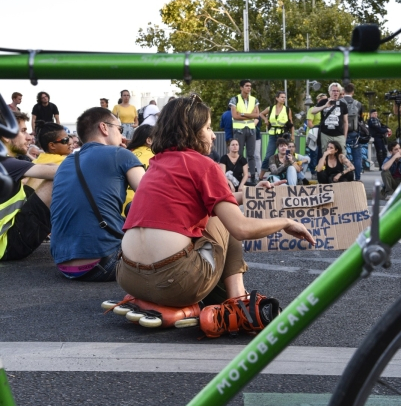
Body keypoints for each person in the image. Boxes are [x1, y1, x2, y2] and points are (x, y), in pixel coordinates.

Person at [117, 95, 315, 337]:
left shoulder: (156, 164)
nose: (213, 135)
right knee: (224, 221)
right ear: (191, 131)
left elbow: (210, 200)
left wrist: (250, 193)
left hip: (128, 275)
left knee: (215, 218)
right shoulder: (204, 165)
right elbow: (240, 227)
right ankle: (239, 305)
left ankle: (163, 304)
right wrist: (287, 221)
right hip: (175, 281)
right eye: (208, 128)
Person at [50, 107, 145, 281]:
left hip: (63, 264)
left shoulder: (66, 162)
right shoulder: (121, 154)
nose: (122, 136)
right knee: (137, 208)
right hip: (103, 262)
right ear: (104, 127)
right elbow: (152, 197)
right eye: (120, 129)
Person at [0, 111, 58, 262]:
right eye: (23, 131)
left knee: (35, 177)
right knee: (57, 180)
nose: (29, 137)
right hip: (7, 246)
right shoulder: (6, 164)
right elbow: (59, 172)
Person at [229, 80, 259, 185]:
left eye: (250, 86)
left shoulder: (254, 99)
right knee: (239, 154)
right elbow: (234, 116)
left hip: (251, 129)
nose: (249, 88)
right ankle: (239, 176)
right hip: (239, 130)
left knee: (251, 154)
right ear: (241, 87)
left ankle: (253, 177)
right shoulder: (235, 99)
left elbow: (256, 115)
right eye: (246, 86)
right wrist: (249, 115)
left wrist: (242, 113)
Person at [25, 123, 71, 191]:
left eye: (69, 139)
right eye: (65, 140)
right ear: (52, 145)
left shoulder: (35, 162)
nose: (69, 143)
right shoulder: (66, 162)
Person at [259, 91, 294, 180]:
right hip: (273, 135)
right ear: (277, 98)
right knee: (268, 155)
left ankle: (287, 175)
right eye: (282, 97)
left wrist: (293, 135)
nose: (283, 99)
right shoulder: (271, 108)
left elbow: (291, 123)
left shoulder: (287, 109)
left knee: (287, 155)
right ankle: (260, 176)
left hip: (283, 135)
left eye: (285, 97)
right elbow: (261, 113)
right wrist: (266, 119)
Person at [310, 82, 348, 153]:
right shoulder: (323, 101)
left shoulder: (343, 104)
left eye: (337, 91)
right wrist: (325, 106)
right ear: (329, 92)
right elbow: (313, 111)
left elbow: (346, 122)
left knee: (341, 155)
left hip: (339, 134)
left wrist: (344, 137)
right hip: (325, 134)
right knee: (325, 155)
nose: (335, 93)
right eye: (333, 91)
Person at [342, 83, 362, 181]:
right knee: (357, 157)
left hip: (341, 133)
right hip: (354, 133)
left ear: (343, 91)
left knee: (341, 155)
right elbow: (361, 119)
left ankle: (343, 176)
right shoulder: (358, 104)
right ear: (353, 92)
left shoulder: (339, 102)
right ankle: (357, 178)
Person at [306, 92, 327, 176]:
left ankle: (320, 171)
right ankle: (313, 172)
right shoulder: (312, 109)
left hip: (323, 135)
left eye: (326, 99)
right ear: (319, 100)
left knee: (321, 154)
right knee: (314, 154)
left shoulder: (327, 110)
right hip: (314, 135)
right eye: (323, 99)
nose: (325, 101)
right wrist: (318, 128)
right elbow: (309, 124)